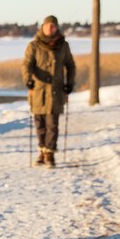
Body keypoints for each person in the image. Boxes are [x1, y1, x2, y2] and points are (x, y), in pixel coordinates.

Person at [22, 15, 76, 168]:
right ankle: (42, 151)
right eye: (48, 26)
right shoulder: (34, 45)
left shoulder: (63, 46)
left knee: (52, 124)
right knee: (40, 124)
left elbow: (71, 65)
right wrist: (28, 79)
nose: (50, 28)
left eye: (53, 26)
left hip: (56, 91)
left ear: (57, 27)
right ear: (43, 27)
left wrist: (69, 83)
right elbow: (26, 65)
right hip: (38, 91)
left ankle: (50, 154)